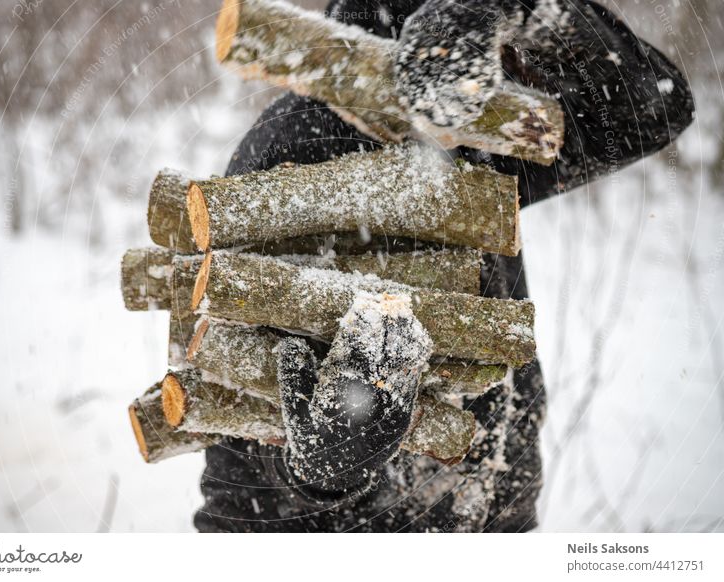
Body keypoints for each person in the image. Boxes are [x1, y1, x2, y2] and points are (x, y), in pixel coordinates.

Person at [193, 0, 694, 532]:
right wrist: (316, 470)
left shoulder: (474, 120)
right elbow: (239, 387)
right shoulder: (301, 141)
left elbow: (653, 106)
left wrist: (513, 8)